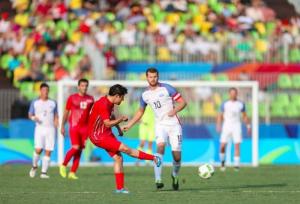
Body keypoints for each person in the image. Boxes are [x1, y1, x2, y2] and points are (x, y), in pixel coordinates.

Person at [88, 84, 161, 194]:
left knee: (118, 158)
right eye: (122, 98)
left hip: (105, 133)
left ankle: (120, 189)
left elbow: (110, 117)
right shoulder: (103, 104)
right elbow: (107, 123)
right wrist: (121, 119)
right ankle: (154, 158)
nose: (122, 100)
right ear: (117, 96)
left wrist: (118, 129)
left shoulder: (109, 102)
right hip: (98, 135)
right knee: (126, 149)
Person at [122, 68, 187, 190]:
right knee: (160, 147)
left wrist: (174, 111)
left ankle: (174, 175)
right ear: (147, 78)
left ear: (158, 77)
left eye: (155, 76)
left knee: (177, 156)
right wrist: (130, 124)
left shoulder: (167, 88)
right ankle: (158, 179)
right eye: (151, 77)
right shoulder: (144, 95)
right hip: (160, 125)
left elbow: (183, 103)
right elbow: (140, 111)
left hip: (174, 125)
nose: (153, 79)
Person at [59, 78, 94, 179]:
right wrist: (62, 125)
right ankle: (63, 164)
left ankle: (72, 172)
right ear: (78, 87)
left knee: (80, 150)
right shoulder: (72, 98)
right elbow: (66, 112)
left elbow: (92, 114)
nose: (84, 88)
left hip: (85, 128)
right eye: (82, 86)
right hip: (74, 126)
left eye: (86, 86)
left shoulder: (91, 99)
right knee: (75, 147)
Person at [216, 87, 251, 171]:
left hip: (236, 126)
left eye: (234, 93)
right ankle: (222, 163)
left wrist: (248, 126)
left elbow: (244, 116)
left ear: (236, 94)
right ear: (229, 94)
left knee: (237, 145)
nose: (233, 95)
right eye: (231, 93)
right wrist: (218, 125)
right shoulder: (225, 103)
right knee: (222, 146)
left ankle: (236, 165)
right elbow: (220, 115)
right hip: (226, 125)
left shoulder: (240, 104)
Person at [29, 83, 58, 179]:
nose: (45, 92)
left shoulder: (53, 102)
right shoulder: (35, 102)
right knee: (38, 149)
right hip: (39, 128)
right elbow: (30, 114)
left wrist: (56, 122)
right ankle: (34, 166)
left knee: (48, 150)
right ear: (40, 91)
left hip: (50, 129)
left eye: (47, 90)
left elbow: (56, 114)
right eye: (44, 90)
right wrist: (33, 118)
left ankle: (43, 173)